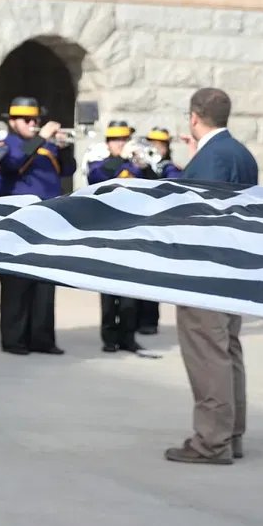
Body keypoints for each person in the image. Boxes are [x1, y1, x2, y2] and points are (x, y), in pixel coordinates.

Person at [165, 87, 257, 466]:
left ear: (193, 117)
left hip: (203, 271)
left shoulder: (210, 159)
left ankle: (211, 441)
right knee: (227, 350)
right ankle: (231, 434)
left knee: (207, 353)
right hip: (234, 267)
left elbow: (197, 216)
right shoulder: (240, 153)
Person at [0, 97, 73, 356]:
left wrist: (63, 147)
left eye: (36, 119)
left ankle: (42, 338)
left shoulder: (46, 143)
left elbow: (68, 170)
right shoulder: (3, 140)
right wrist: (41, 138)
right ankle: (14, 339)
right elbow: (13, 163)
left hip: (47, 217)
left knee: (44, 279)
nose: (33, 124)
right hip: (17, 218)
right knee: (16, 280)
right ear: (13, 121)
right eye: (27, 120)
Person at [87, 120, 152, 354]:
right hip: (107, 232)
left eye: (123, 139)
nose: (120, 143)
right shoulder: (99, 162)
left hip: (133, 231)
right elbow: (96, 177)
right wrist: (119, 158)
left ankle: (128, 337)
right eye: (115, 140)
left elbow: (155, 183)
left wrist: (145, 164)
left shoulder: (137, 164)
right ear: (108, 143)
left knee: (131, 291)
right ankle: (109, 338)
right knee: (108, 291)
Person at [135, 126, 181, 336]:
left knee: (151, 277)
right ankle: (134, 320)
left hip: (158, 228)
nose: (155, 147)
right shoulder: (140, 164)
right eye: (152, 143)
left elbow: (171, 186)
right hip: (140, 226)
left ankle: (149, 321)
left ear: (166, 148)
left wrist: (151, 169)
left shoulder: (169, 168)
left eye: (160, 145)